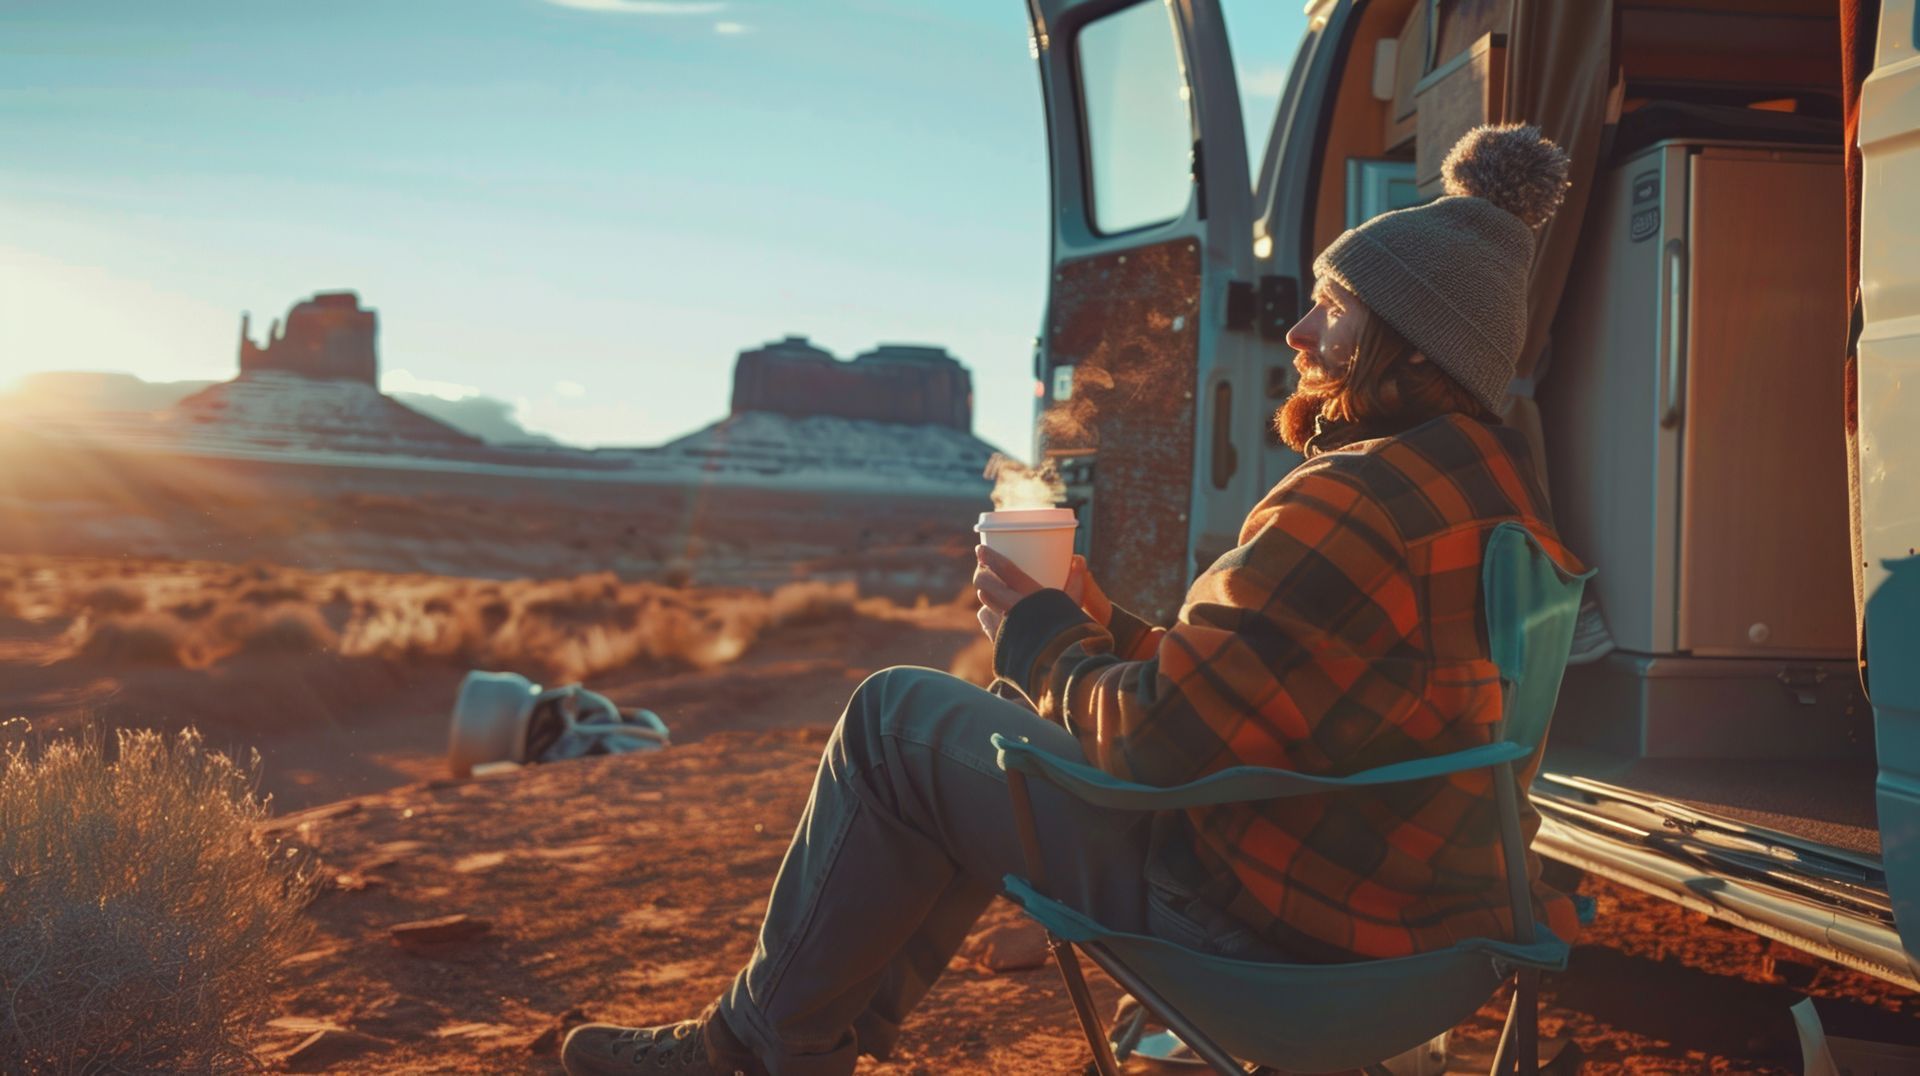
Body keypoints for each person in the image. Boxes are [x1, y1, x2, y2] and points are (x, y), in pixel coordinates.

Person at [561, 123, 1585, 1076]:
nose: (1302, 329)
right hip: (1425, 937)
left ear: (1406, 339)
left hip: (1278, 933)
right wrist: (1106, 629)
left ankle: (752, 1049)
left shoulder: (1349, 497)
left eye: (1335, 303)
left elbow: (1153, 744)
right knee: (980, 740)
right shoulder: (1495, 495)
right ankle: (801, 1033)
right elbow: (1294, 688)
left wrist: (1043, 638)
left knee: (895, 719)